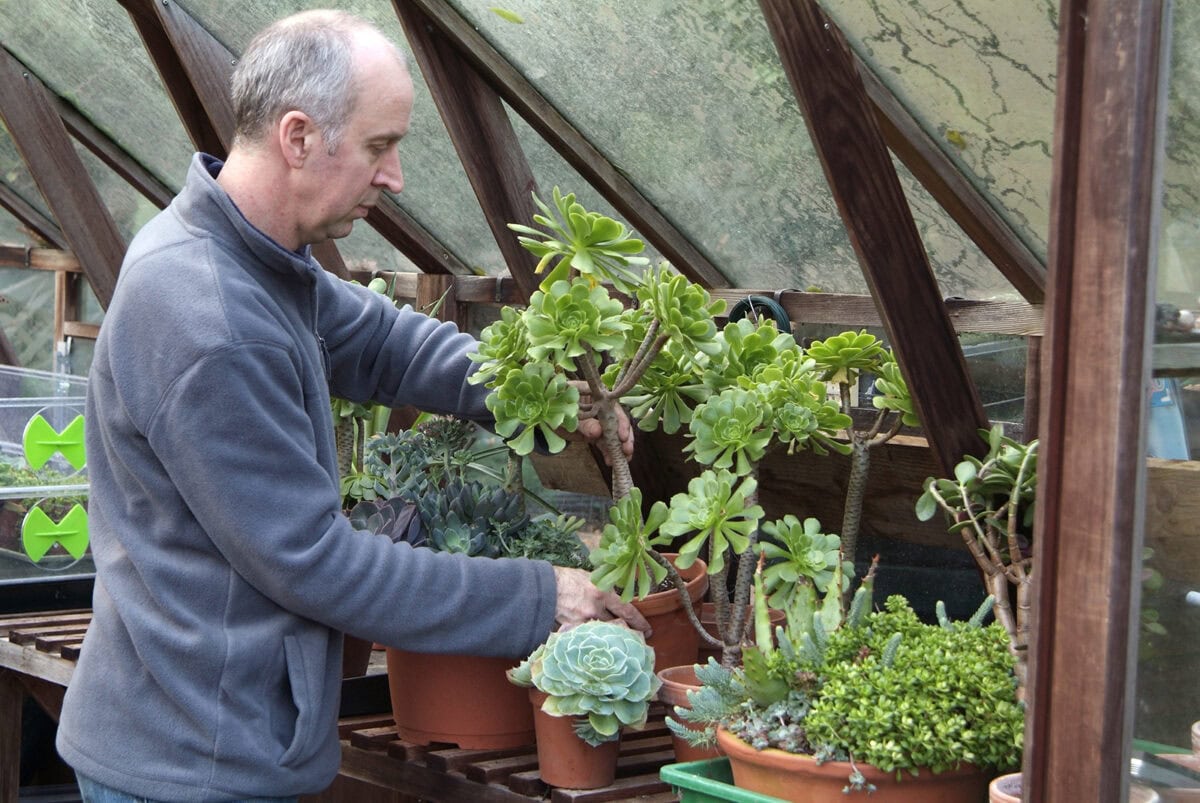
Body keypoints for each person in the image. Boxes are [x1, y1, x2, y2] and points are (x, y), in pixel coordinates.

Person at [56, 10, 647, 802]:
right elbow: (317, 563)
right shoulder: (210, 316)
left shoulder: (253, 259)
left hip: (210, 737)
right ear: (298, 137)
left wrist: (538, 396)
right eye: (379, 146)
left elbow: (379, 342)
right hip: (191, 764)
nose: (396, 176)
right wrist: (543, 594)